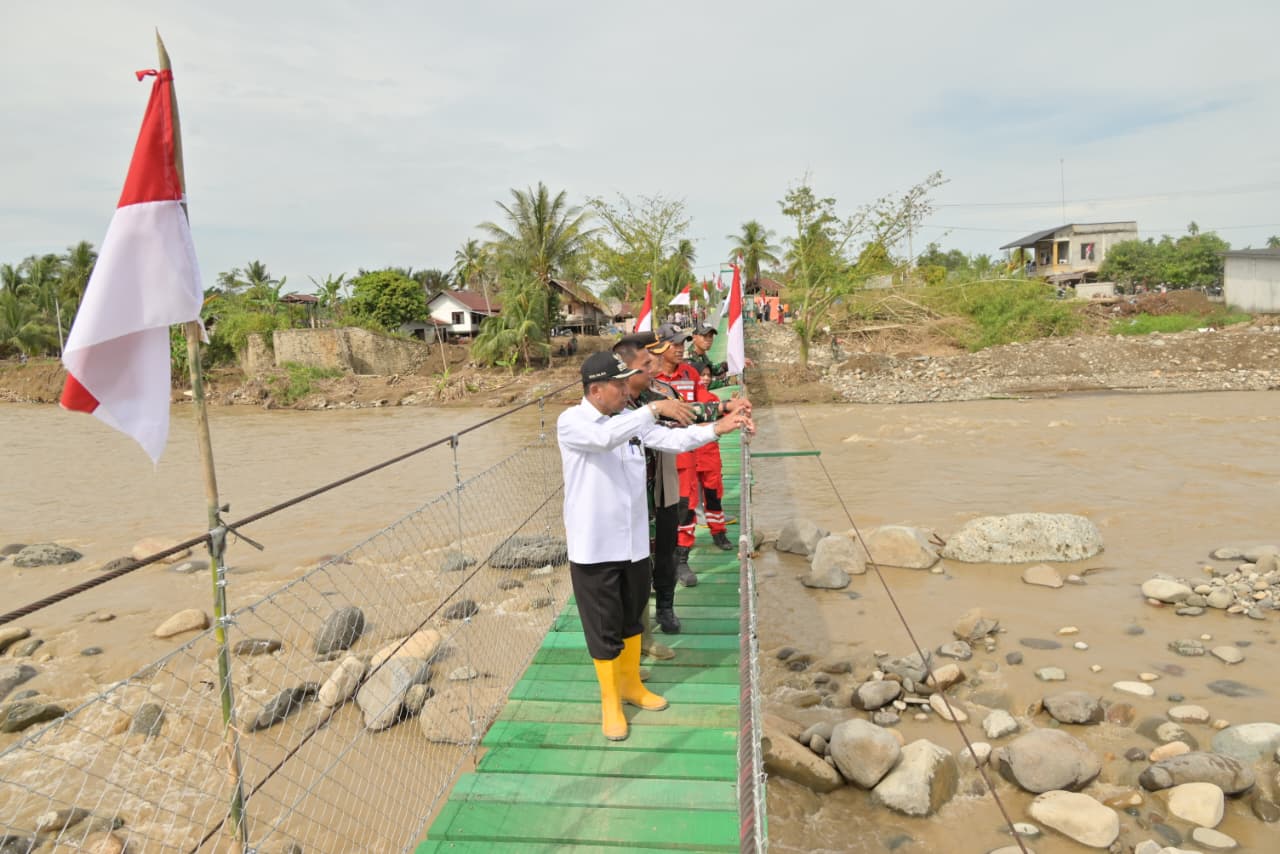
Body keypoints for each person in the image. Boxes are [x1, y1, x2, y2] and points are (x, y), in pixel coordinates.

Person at [557, 350, 752, 741]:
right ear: (596, 389)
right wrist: (652, 408)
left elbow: (671, 439)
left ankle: (631, 686)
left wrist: (719, 428)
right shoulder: (574, 422)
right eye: (619, 383)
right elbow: (604, 439)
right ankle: (610, 702)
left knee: (632, 620)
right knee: (604, 628)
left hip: (631, 544)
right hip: (595, 548)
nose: (627, 388)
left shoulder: (625, 420)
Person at [651, 324, 746, 586]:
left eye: (683, 343)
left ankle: (681, 558)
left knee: (689, 504)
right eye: (675, 344)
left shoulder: (689, 372)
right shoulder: (651, 379)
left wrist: (727, 407)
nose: (681, 348)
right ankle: (661, 563)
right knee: (665, 512)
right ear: (659, 348)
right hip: (660, 456)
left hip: (689, 451)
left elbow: (703, 400)